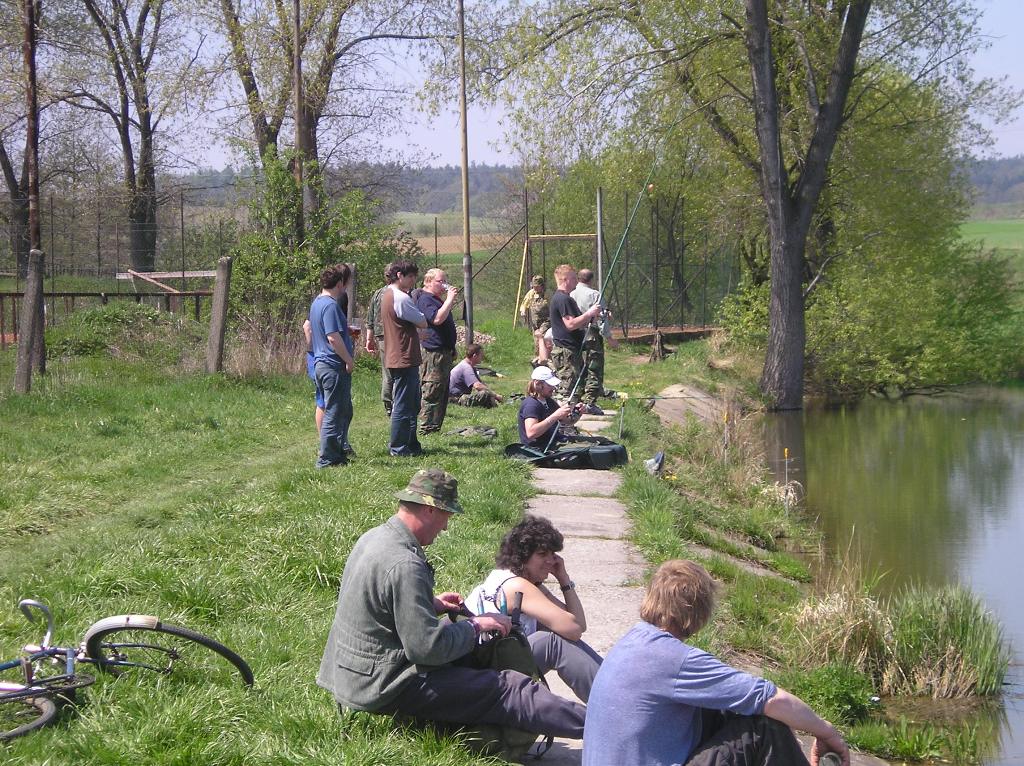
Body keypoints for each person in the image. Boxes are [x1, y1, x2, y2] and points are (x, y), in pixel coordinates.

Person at [317, 468, 587, 741]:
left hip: (350, 673)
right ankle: (600, 727)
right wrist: (476, 626)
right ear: (429, 510)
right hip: (384, 685)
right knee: (511, 688)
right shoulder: (405, 564)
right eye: (446, 515)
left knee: (457, 634)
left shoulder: (375, 538)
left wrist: (430, 604)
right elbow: (427, 650)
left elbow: (374, 605)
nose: (445, 527)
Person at [582, 560, 851, 766]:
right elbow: (770, 699)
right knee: (763, 729)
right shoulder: (674, 659)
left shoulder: (632, 640)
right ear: (698, 611)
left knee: (723, 709)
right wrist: (826, 732)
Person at [466, 515, 602, 702]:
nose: (550, 561)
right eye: (542, 554)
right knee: (553, 643)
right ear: (522, 556)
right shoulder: (517, 586)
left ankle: (611, 691)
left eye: (552, 554)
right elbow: (574, 629)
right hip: (487, 675)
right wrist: (563, 580)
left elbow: (578, 624)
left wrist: (564, 579)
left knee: (560, 635)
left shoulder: (523, 583)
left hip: (491, 665)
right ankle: (611, 701)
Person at [308, 264, 356, 468]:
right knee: (334, 413)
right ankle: (327, 458)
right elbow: (333, 338)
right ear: (339, 284)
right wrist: (348, 360)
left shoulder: (317, 303)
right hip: (332, 365)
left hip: (321, 363)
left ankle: (337, 453)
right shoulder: (330, 306)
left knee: (342, 410)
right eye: (344, 283)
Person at [382, 260, 428, 457]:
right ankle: (399, 447)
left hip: (397, 354)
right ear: (399, 275)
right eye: (410, 276)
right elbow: (422, 321)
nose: (413, 280)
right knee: (403, 404)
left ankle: (410, 443)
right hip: (403, 355)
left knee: (411, 403)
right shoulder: (400, 297)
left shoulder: (387, 294)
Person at [549, 264, 602, 404]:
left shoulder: (568, 298)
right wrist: (589, 313)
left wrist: (593, 317)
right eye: (573, 278)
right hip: (566, 351)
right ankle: (561, 415)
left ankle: (575, 411)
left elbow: (578, 323)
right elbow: (570, 324)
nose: (576, 281)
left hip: (573, 349)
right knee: (567, 391)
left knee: (577, 388)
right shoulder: (563, 299)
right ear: (565, 279)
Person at [415, 268, 459, 434]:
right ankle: (426, 427)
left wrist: (451, 347)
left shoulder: (436, 300)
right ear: (428, 282)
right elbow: (437, 319)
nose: (444, 285)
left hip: (444, 351)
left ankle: (434, 426)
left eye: (445, 281)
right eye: (440, 281)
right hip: (433, 352)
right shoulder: (425, 299)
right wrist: (450, 299)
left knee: (441, 389)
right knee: (432, 389)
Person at [570, 268, 618, 414]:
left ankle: (576, 398)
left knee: (579, 367)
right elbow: (601, 319)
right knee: (594, 368)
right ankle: (589, 402)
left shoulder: (571, 294)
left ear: (578, 278)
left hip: (575, 335)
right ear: (591, 280)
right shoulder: (594, 294)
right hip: (592, 334)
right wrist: (609, 338)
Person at [518, 366, 577, 451]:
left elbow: (567, 421)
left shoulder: (548, 400)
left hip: (553, 441)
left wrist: (577, 412)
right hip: (538, 448)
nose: (553, 388)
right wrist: (555, 416)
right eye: (549, 385)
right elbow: (531, 433)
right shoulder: (531, 405)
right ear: (538, 384)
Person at [365, 267, 395, 417]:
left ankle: (388, 403)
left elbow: (370, 319)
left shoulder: (378, 293)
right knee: (397, 370)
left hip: (381, 335)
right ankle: (394, 402)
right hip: (394, 334)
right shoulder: (398, 292)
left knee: (386, 370)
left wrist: (369, 339)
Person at [449, 343, 504, 408]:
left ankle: (494, 404)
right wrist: (496, 395)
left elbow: (481, 384)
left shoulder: (470, 366)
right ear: (474, 356)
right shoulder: (466, 367)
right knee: (485, 394)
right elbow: (478, 386)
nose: (482, 358)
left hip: (460, 396)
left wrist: (491, 393)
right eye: (481, 355)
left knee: (487, 392)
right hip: (456, 398)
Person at [519, 275, 550, 362]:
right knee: (536, 340)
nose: (535, 288)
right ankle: (538, 358)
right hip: (535, 323)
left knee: (542, 337)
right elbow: (525, 303)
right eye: (534, 286)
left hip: (546, 321)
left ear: (542, 286)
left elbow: (553, 305)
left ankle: (544, 358)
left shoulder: (547, 294)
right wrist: (523, 311)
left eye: (537, 286)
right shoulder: (531, 293)